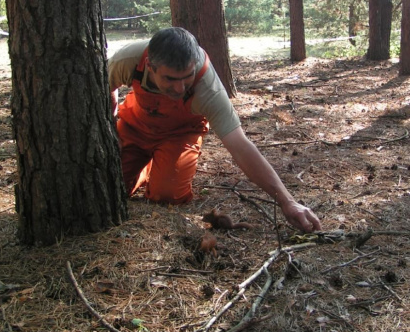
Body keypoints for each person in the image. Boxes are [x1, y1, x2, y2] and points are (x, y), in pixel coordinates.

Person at [108, 27, 321, 233]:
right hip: (134, 125)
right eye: (170, 79)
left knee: (167, 195)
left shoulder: (208, 87)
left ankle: (159, 164)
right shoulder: (128, 60)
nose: (180, 88)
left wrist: (287, 202)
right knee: (112, 188)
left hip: (178, 136)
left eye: (187, 77)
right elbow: (101, 87)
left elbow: (240, 145)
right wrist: (108, 124)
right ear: (150, 66)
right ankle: (145, 165)